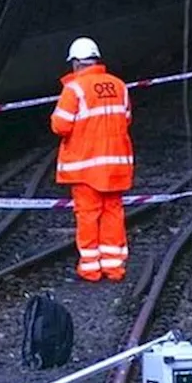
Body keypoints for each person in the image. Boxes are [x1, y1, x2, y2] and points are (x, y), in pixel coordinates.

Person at [50, 37, 135, 282]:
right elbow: (126, 118)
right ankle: (114, 267)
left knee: (88, 215)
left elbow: (60, 125)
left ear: (76, 63)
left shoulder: (74, 89)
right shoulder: (119, 86)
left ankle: (90, 268)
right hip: (116, 164)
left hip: (85, 166)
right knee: (113, 213)